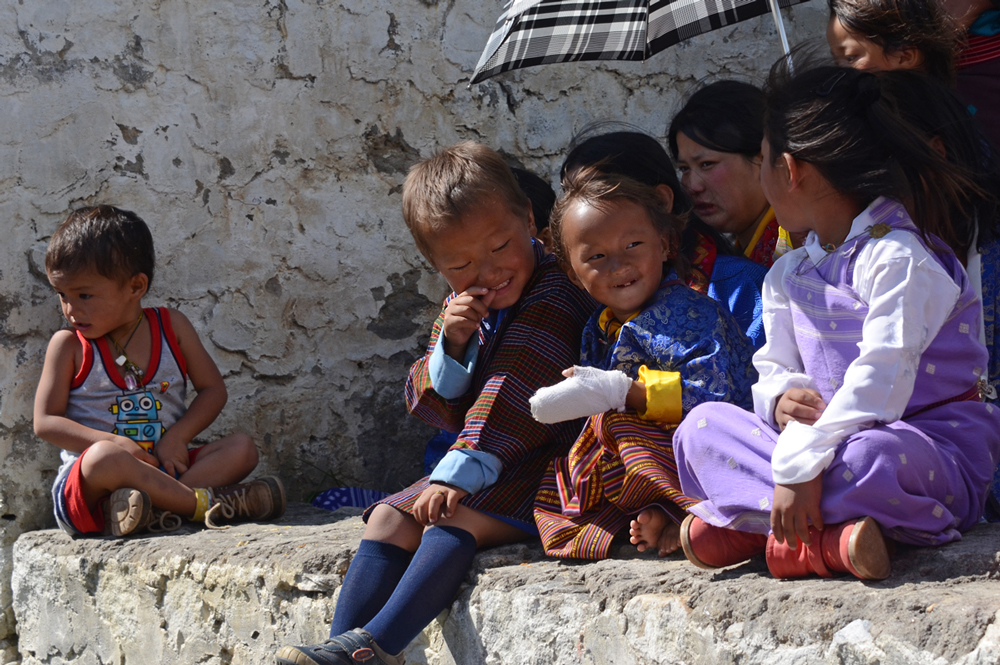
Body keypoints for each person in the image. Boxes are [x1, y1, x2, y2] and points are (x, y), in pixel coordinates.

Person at [671, 65, 1000, 581]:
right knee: (701, 428)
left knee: (875, 456)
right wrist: (780, 399)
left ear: (789, 169)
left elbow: (880, 387)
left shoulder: (898, 257)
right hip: (823, 446)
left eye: (763, 163)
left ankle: (773, 531)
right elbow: (773, 366)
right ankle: (827, 536)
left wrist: (800, 465)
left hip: (922, 443)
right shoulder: (787, 271)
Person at [277, 142, 595, 665]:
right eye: (463, 263)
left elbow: (512, 392)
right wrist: (453, 343)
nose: (489, 271)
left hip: (551, 464)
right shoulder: (463, 306)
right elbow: (435, 392)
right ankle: (343, 649)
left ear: (530, 220)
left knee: (453, 520)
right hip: (484, 461)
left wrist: (456, 476)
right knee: (385, 519)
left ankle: (379, 647)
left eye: (500, 247)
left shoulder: (556, 289)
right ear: (435, 264)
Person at [530, 170, 756, 560]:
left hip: (714, 445)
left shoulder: (693, 312)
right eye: (596, 256)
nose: (619, 265)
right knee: (572, 463)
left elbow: (717, 395)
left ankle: (688, 511)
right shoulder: (597, 328)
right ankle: (653, 511)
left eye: (633, 244)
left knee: (617, 427)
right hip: (646, 450)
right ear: (572, 273)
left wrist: (625, 393)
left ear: (666, 245)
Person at [34, 206, 286, 538]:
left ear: (136, 287)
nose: (71, 309)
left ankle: (150, 510)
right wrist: (114, 441)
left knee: (242, 449)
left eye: (84, 295)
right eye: (62, 295)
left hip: (165, 468)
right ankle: (206, 505)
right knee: (102, 459)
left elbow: (213, 390)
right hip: (92, 490)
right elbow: (45, 422)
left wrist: (177, 437)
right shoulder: (69, 346)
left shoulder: (172, 327)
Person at [562, 127, 769, 347]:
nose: (583, 210)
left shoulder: (741, 288)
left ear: (661, 201)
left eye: (602, 198)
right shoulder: (598, 323)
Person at [668, 81, 794, 269]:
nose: (693, 186)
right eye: (684, 169)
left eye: (707, 164)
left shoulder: (795, 250)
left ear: (762, 158)